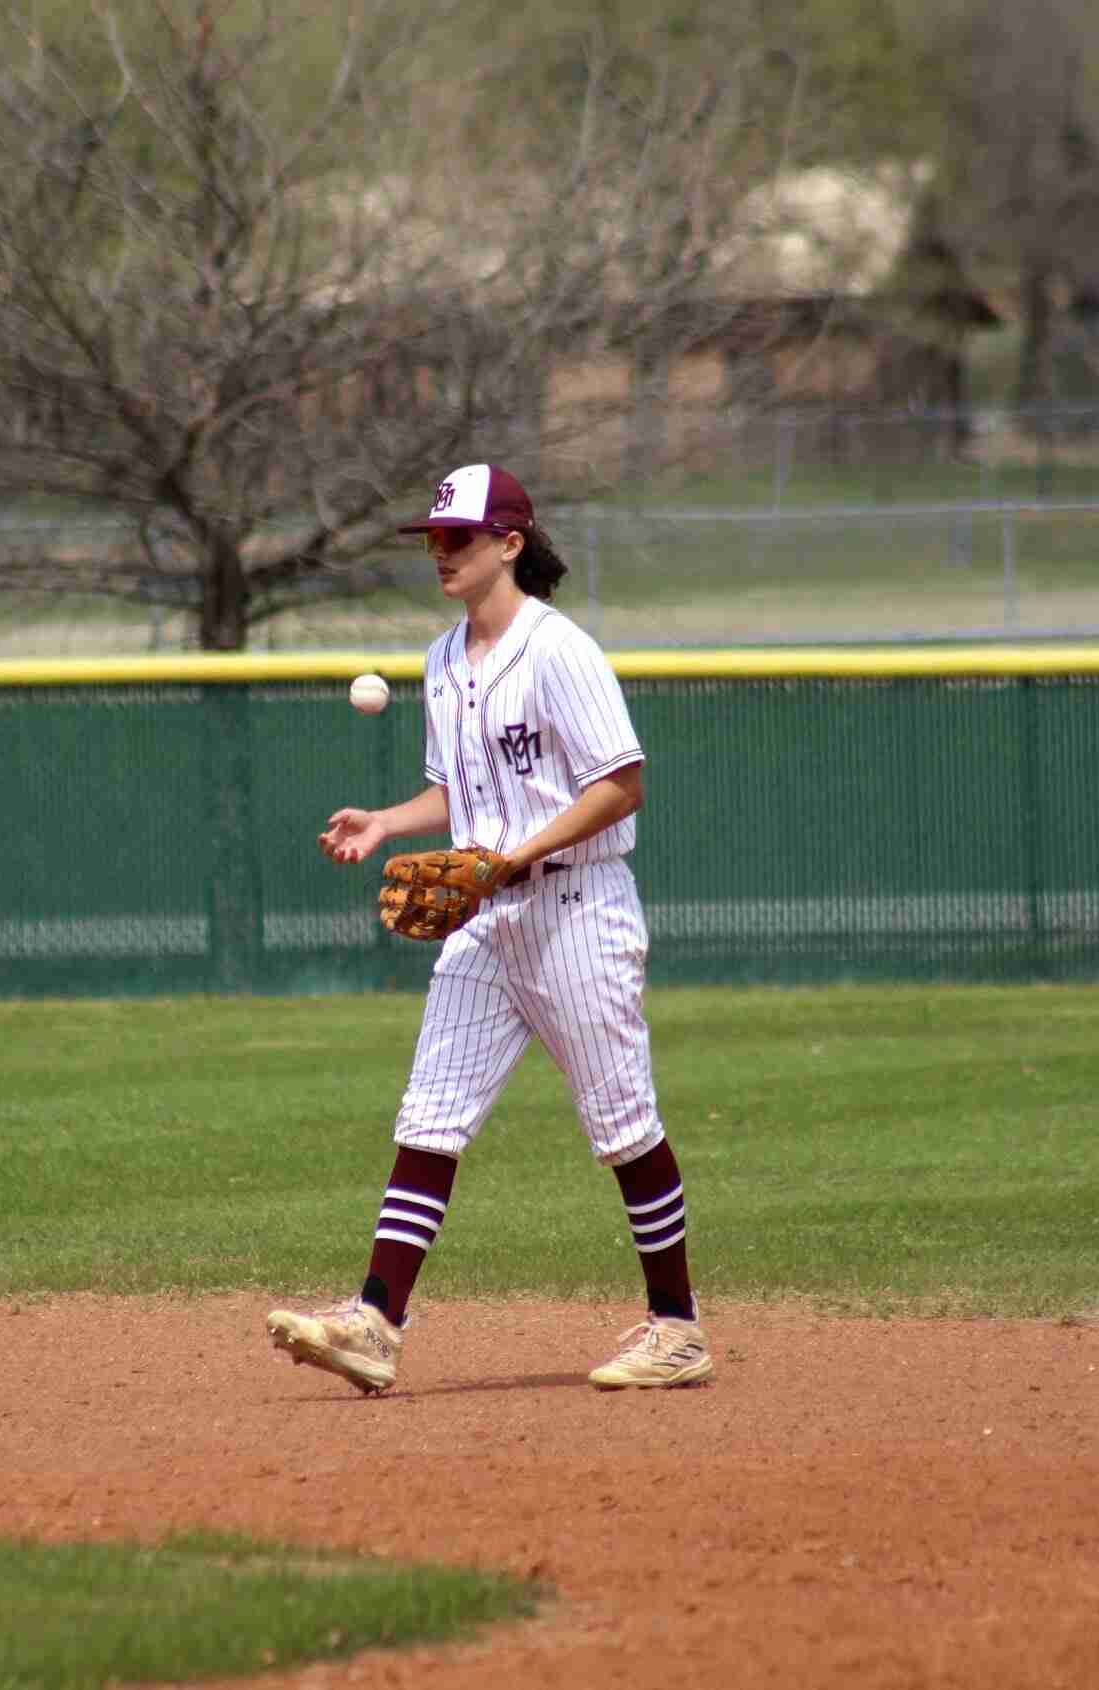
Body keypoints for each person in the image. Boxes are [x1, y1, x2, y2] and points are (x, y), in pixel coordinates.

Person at [267, 464, 712, 1394]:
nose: (441, 553)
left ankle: (677, 1329)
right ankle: (376, 1323)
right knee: (430, 1116)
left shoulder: (560, 652)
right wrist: (388, 821)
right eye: (433, 539)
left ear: (509, 544)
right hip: (486, 916)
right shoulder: (441, 660)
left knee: (623, 1124)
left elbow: (620, 785)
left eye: (458, 538)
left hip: (576, 909)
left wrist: (513, 857)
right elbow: (461, 793)